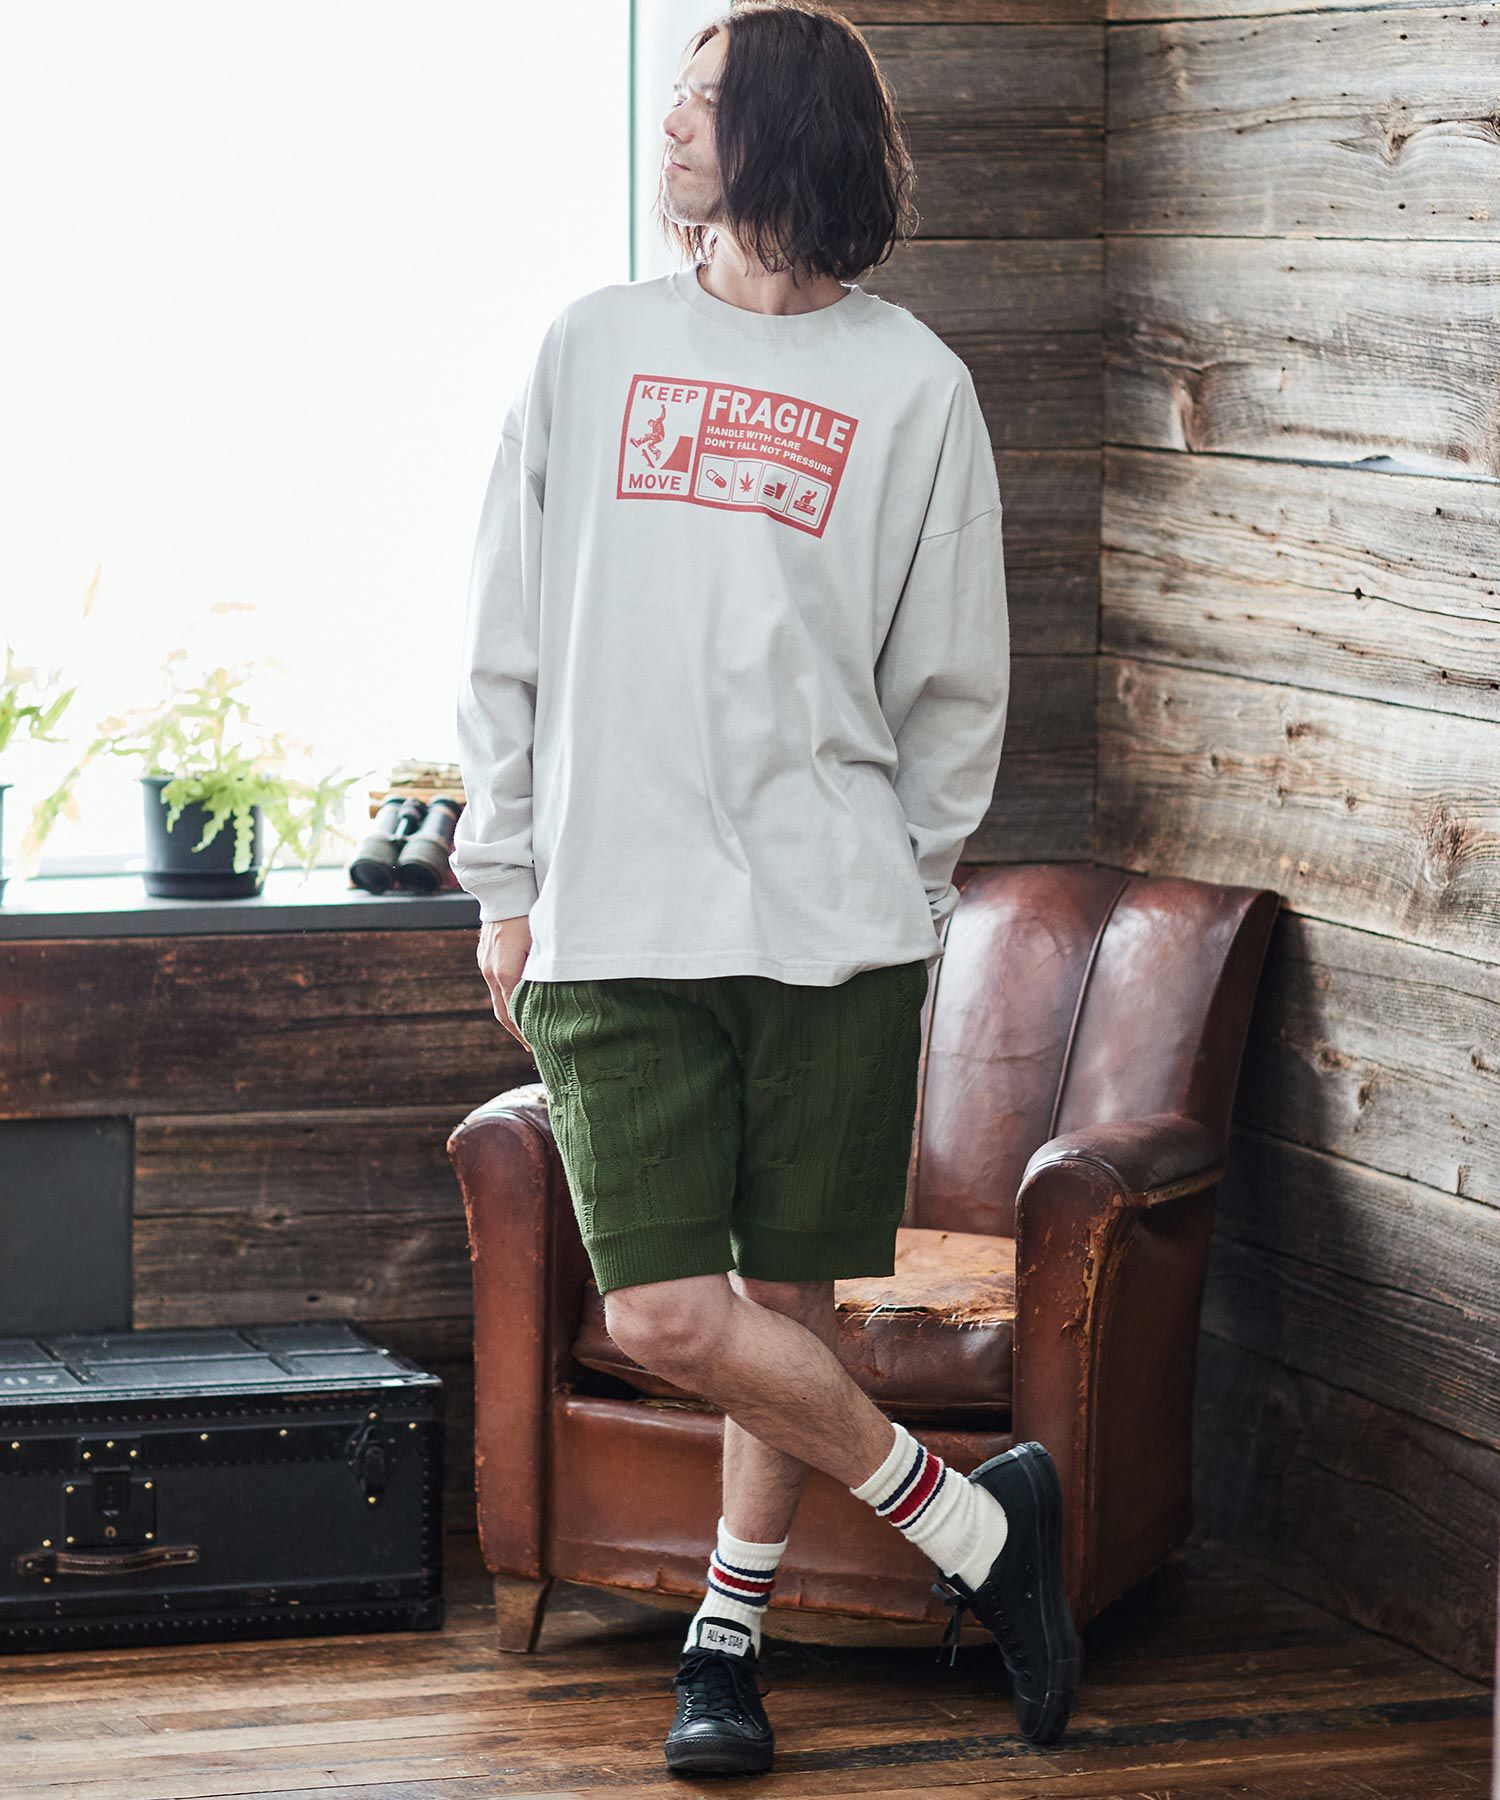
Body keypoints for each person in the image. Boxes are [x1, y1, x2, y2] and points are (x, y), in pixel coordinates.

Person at [449, 0, 1079, 1776]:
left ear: (789, 129)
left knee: (787, 1310)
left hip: (835, 929)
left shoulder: (914, 385)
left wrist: (905, 889)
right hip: (614, 922)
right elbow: (503, 642)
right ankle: (978, 1525)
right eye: (671, 95)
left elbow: (950, 688)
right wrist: (504, 879)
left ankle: (726, 1642)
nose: (671, 126)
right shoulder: (594, 348)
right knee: (669, 1312)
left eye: (706, 100)